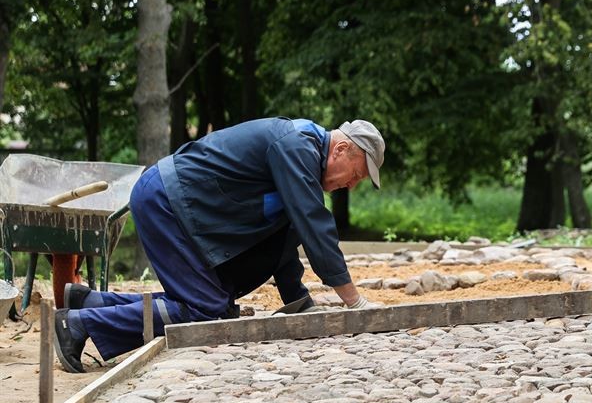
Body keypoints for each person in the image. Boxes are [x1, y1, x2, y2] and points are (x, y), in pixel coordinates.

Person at [52, 117, 385, 373]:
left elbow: (288, 235)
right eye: (354, 175)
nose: (350, 185)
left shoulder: (301, 155)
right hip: (166, 201)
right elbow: (314, 223)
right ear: (340, 150)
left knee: (214, 304)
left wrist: (299, 301)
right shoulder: (297, 145)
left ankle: (89, 301)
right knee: (204, 311)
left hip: (180, 206)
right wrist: (353, 302)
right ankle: (78, 324)